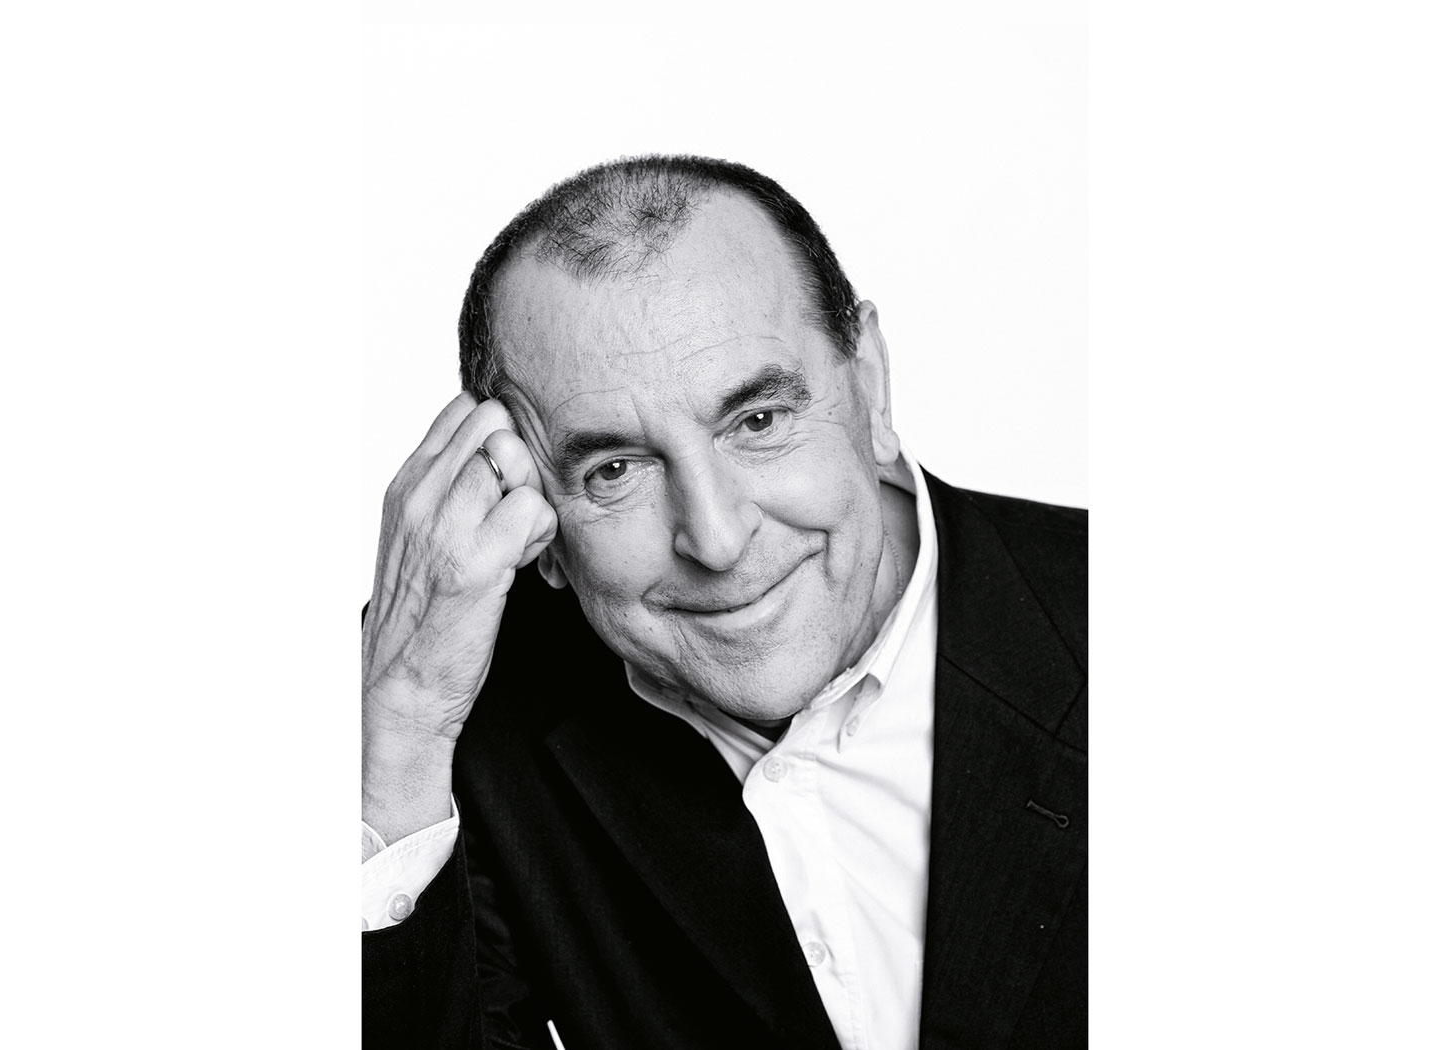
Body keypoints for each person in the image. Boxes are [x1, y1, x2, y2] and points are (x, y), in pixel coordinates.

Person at [361, 155, 1087, 1050]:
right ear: (530, 501)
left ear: (869, 384)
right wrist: (399, 721)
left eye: (758, 421)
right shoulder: (463, 740)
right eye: (615, 470)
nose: (716, 538)